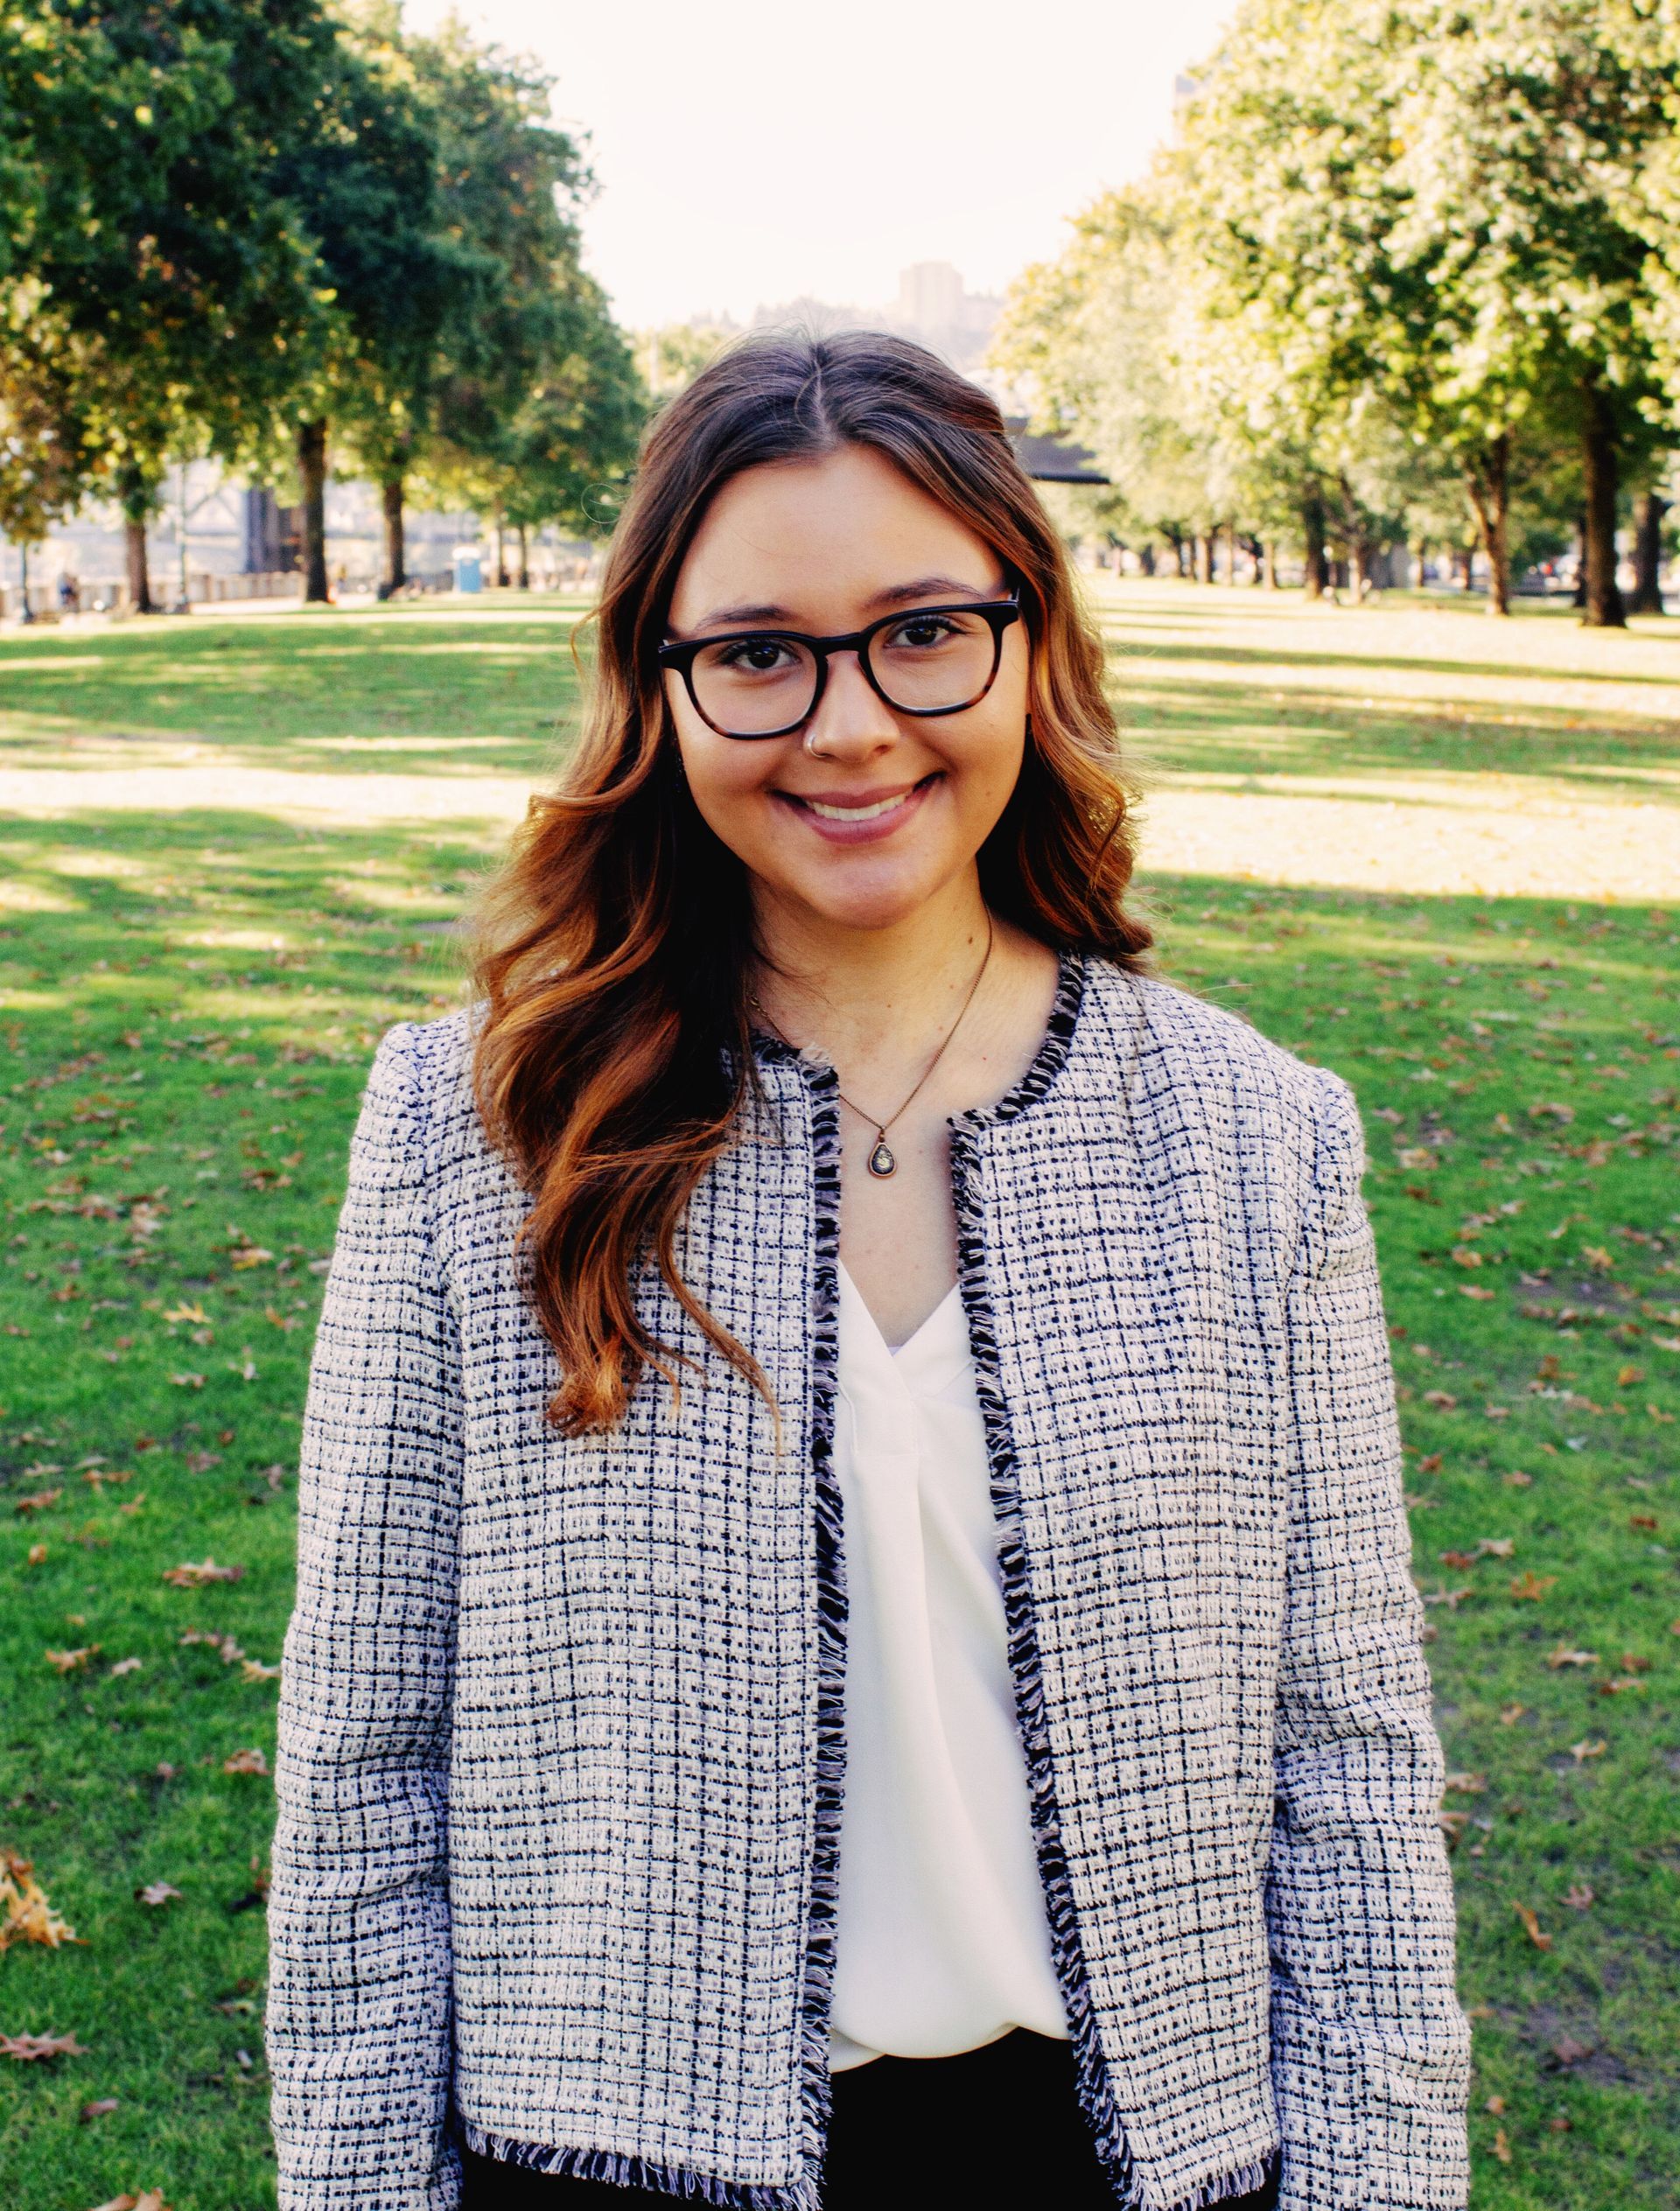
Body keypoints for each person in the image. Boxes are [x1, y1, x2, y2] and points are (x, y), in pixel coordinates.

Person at [266, 332, 1471, 2210]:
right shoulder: (470, 1124)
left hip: (1132, 2156)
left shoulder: (1261, 1140)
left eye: (923, 630)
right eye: (758, 652)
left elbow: (1351, 1768)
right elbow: (362, 1771)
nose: (847, 724)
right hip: (598, 2151)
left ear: (1030, 639)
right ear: (659, 685)